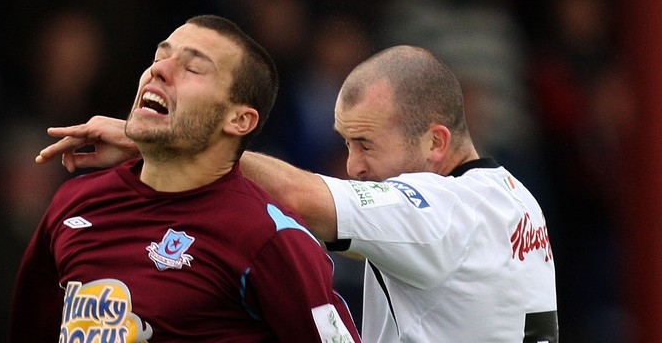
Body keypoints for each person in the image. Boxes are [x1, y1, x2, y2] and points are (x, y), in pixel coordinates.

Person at [38, 44, 558, 342]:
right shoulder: (514, 197)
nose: (353, 167)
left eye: (365, 144)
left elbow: (304, 197)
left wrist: (155, 139)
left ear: (435, 142)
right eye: (345, 141)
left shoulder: (440, 210)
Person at [9, 15, 361, 342]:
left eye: (192, 68)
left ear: (239, 120)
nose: (158, 70)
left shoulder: (268, 238)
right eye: (159, 57)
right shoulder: (75, 200)